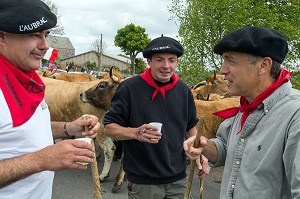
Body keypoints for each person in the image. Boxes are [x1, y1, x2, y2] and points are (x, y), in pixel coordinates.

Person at [184, 26, 300, 198]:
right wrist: (205, 145)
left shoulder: (294, 116)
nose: (223, 70)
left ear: (263, 65)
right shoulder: (246, 106)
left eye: (230, 61)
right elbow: (227, 148)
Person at [0, 0, 100, 198]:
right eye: (34, 35)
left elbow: (20, 128)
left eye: (46, 35)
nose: (45, 45)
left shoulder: (27, 79)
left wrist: (67, 128)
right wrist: (41, 160)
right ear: (2, 36)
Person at [103, 35, 209, 199]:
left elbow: (190, 128)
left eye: (171, 60)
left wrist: (201, 156)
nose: (166, 66)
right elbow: (109, 128)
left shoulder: (183, 90)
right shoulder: (129, 88)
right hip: (144, 181)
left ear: (177, 62)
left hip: (178, 179)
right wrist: (135, 133)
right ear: (149, 61)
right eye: (159, 60)